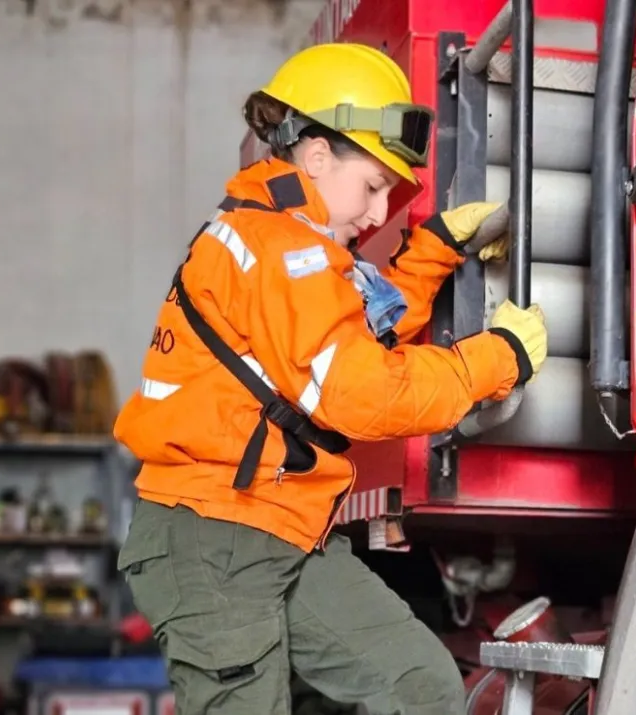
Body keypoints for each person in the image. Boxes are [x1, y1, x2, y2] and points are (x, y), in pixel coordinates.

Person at [114, 42, 548, 715]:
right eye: (373, 185)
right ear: (317, 156)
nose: (378, 213)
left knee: (420, 688)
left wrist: (433, 253)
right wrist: (498, 358)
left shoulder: (291, 249)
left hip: (275, 527)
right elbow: (359, 389)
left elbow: (348, 336)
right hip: (212, 537)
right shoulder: (277, 248)